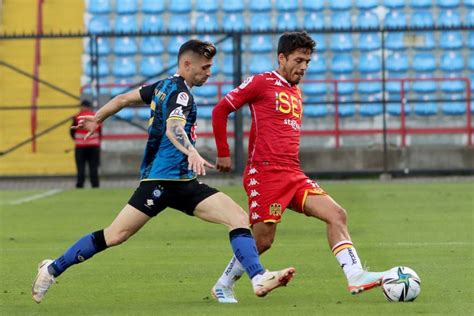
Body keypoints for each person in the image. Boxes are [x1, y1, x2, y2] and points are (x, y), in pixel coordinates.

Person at [32, 39, 295, 304]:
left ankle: (258, 276)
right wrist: (191, 151)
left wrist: (97, 117)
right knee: (115, 235)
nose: (208, 72)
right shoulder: (180, 93)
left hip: (184, 183)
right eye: (204, 67)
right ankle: (51, 268)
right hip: (159, 181)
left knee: (238, 217)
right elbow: (174, 127)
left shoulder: (162, 86)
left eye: (210, 67)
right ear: (186, 64)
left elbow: (123, 99)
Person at [210, 31, 387, 303]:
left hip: (293, 173)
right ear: (282, 58)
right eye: (298, 60)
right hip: (265, 172)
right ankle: (223, 284)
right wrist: (224, 153)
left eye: (307, 61)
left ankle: (355, 275)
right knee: (263, 241)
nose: (303, 66)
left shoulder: (296, 91)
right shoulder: (261, 82)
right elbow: (220, 109)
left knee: (337, 214)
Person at [70, 99, 102, 188]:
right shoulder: (96, 117)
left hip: (80, 146)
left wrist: (77, 139)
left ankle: (80, 184)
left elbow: (72, 131)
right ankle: (95, 184)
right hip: (94, 145)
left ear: (83, 107)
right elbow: (100, 131)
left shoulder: (77, 117)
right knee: (94, 166)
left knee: (80, 166)